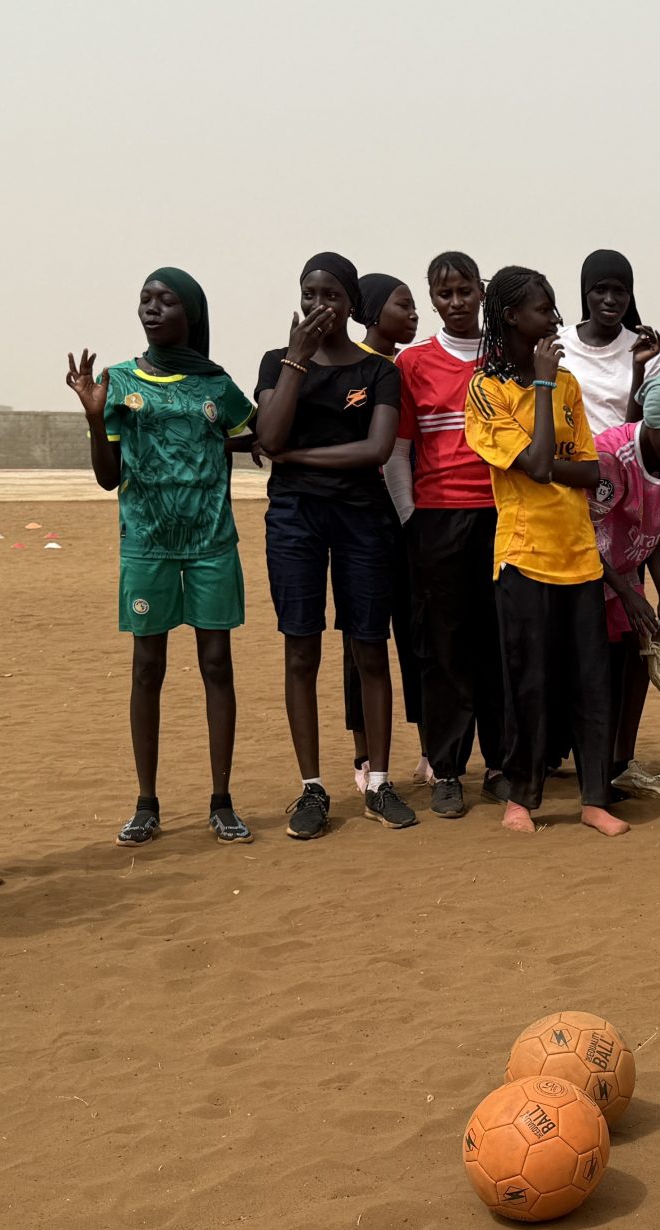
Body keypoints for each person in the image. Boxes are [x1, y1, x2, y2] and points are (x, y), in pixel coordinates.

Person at [62, 267, 257, 847]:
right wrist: (96, 418)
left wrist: (228, 441)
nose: (151, 308)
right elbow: (105, 478)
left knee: (216, 665)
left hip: (210, 544)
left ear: (190, 314)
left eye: (165, 300)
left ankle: (221, 801)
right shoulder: (118, 381)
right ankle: (146, 802)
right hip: (146, 544)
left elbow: (257, 432)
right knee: (147, 669)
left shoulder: (217, 385)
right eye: (145, 299)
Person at [467, 264, 630, 837]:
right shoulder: (486, 391)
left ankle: (593, 799)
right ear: (512, 317)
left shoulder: (567, 386)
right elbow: (534, 464)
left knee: (591, 684)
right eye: (544, 310)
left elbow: (589, 470)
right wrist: (538, 384)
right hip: (524, 556)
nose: (555, 320)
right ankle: (522, 799)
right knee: (528, 684)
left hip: (579, 555)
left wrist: (552, 464)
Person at [255, 252, 412, 837]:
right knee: (301, 649)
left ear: (352, 304)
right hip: (295, 519)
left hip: (362, 518)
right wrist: (297, 361)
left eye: (331, 295)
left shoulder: (377, 372)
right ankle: (312, 789)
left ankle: (378, 782)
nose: (319, 305)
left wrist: (293, 456)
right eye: (309, 293)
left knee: (369, 647)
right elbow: (268, 433)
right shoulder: (277, 362)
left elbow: (374, 452)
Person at [388, 250, 503, 818]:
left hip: (505, 517)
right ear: (433, 298)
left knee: (500, 641)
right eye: (444, 294)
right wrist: (412, 519)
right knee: (445, 646)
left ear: (481, 292)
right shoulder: (412, 364)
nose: (456, 303)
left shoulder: (504, 356)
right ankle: (448, 769)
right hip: (438, 518)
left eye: (464, 292)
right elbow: (399, 452)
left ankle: (503, 763)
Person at [591, 374, 660, 801]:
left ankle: (622, 763)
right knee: (596, 672)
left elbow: (653, 532)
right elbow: (582, 532)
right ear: (653, 423)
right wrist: (626, 591)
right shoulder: (610, 456)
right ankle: (595, 769)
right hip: (589, 575)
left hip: (626, 577)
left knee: (638, 663)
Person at [343, 271, 424, 790]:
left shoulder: (411, 367)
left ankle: (429, 749)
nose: (414, 314)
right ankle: (363, 754)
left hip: (413, 525)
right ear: (373, 313)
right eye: (404, 304)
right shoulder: (350, 366)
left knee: (419, 640)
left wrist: (414, 521)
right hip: (362, 525)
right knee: (362, 643)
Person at [561, 248, 660, 433]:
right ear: (586, 293)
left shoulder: (649, 354)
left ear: (629, 296)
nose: (610, 299)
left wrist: (638, 368)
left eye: (619, 291)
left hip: (624, 458)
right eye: (600, 289)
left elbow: (646, 428)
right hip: (568, 460)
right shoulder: (557, 345)